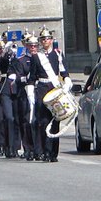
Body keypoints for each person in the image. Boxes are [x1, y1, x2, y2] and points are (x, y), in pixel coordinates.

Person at [29, 28, 68, 162]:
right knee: (44, 122)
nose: (46, 41)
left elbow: (64, 72)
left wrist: (67, 82)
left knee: (55, 121)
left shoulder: (58, 55)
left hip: (54, 89)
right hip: (42, 89)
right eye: (43, 39)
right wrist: (30, 93)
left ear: (51, 40)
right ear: (41, 41)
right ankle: (45, 151)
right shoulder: (36, 57)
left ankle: (53, 153)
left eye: (48, 39)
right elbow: (32, 77)